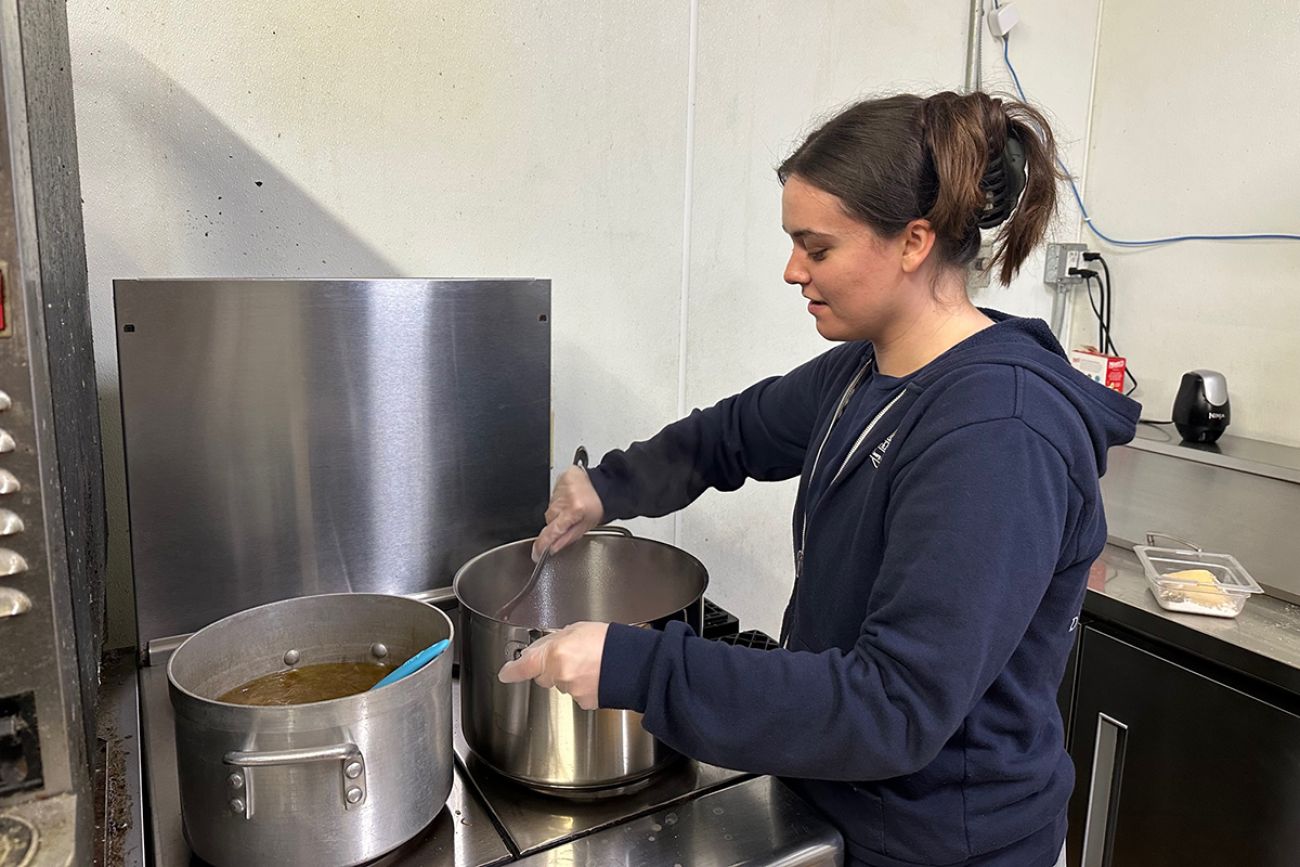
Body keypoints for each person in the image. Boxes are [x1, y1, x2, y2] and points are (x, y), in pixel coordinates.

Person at [497, 90, 1140, 867]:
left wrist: (635, 666)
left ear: (912, 240)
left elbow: (893, 707)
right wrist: (604, 487)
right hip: (838, 800)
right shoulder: (866, 371)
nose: (792, 270)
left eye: (817, 246)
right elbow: (730, 435)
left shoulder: (998, 435)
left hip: (945, 843)